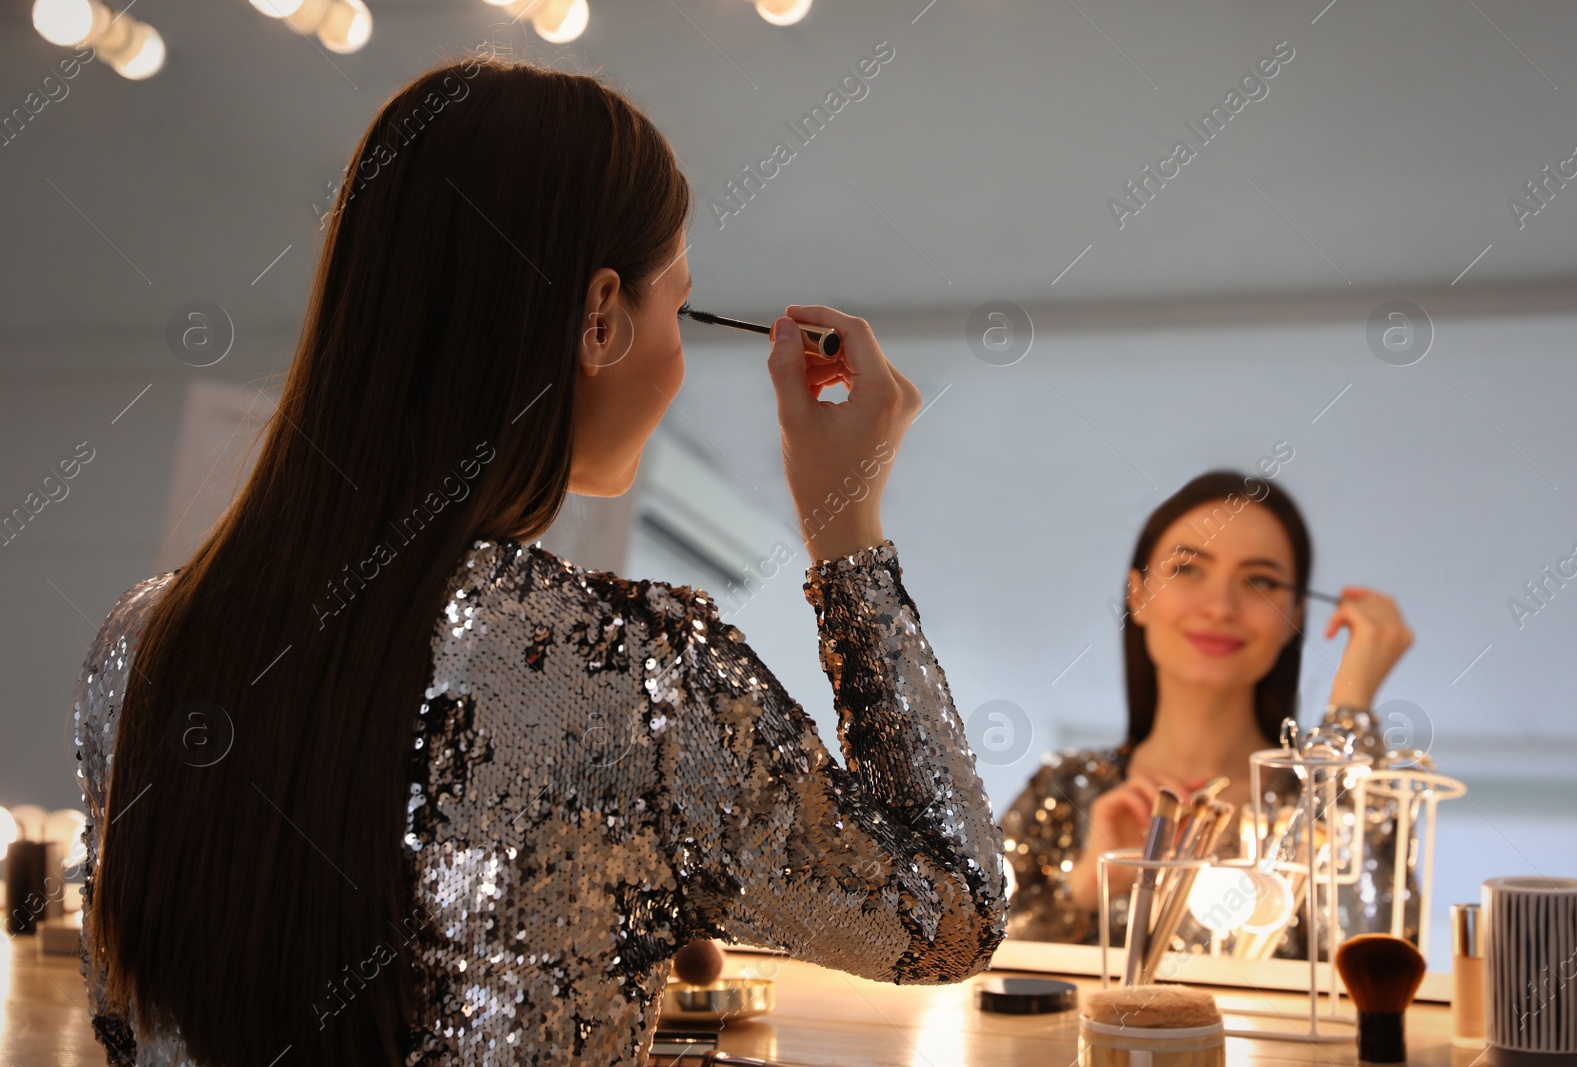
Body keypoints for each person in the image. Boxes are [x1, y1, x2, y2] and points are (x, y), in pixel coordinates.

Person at [72, 58, 1005, 1067]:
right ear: (598, 318)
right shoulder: (627, 672)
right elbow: (947, 907)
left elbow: (127, 1025)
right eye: (676, 307)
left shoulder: (144, 645)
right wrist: (846, 532)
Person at [1000, 470, 1418, 956]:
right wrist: (1087, 889)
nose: (1221, 606)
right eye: (1187, 569)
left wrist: (1352, 707)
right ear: (1138, 596)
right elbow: (969, 969)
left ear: (1296, 617)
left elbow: (1377, 957)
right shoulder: (1062, 789)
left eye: (1260, 581)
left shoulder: (1326, 804)